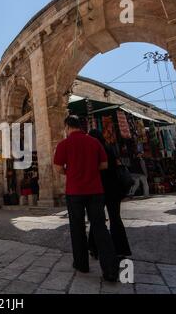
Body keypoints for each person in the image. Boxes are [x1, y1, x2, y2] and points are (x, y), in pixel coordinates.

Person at [53, 116, 119, 282]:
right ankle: (110, 270)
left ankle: (81, 264)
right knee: (100, 227)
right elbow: (104, 165)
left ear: (67, 126)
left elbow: (58, 168)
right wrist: (90, 169)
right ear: (81, 126)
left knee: (77, 227)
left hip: (74, 191)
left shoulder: (64, 144)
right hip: (95, 191)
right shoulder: (94, 142)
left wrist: (72, 172)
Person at [88, 129, 132, 259]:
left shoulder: (96, 150)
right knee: (115, 218)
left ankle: (94, 247)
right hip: (114, 189)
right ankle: (121, 249)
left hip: (100, 190)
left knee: (97, 220)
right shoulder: (110, 148)